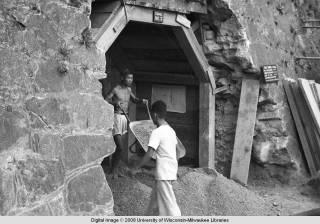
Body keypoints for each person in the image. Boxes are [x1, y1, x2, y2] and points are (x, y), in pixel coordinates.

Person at [130, 100, 181, 216]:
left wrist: (136, 167)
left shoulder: (157, 132)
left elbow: (149, 154)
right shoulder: (171, 131)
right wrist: (174, 167)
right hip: (170, 171)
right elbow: (177, 152)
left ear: (155, 115)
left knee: (170, 207)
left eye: (152, 115)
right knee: (154, 204)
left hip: (164, 174)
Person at [105, 68, 148, 178]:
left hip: (125, 118)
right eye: (128, 78)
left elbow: (134, 99)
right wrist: (115, 102)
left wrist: (142, 100)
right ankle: (112, 170)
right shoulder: (116, 89)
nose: (130, 80)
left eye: (131, 78)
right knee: (119, 147)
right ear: (122, 78)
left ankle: (114, 169)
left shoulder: (128, 90)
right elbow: (106, 100)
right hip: (116, 117)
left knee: (120, 148)